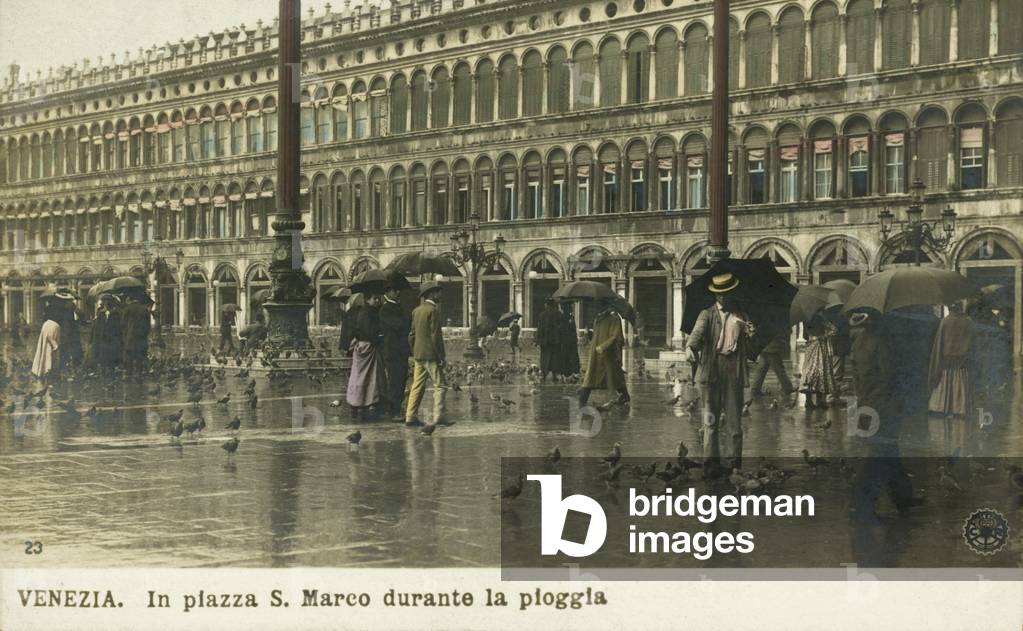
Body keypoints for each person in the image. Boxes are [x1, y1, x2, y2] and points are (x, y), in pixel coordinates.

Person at [686, 273, 752, 472]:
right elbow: (696, 335)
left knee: (734, 423)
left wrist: (750, 333)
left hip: (733, 369)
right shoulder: (706, 314)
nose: (724, 297)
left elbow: (749, 348)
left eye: (727, 293)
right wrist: (690, 348)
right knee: (710, 421)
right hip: (711, 369)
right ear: (716, 295)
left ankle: (734, 465)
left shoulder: (741, 315)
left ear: (732, 293)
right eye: (720, 293)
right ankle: (710, 463)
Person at [405, 282, 447, 427]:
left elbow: (411, 335)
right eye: (438, 292)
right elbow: (436, 336)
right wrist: (441, 356)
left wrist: (414, 350)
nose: (440, 294)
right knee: (440, 385)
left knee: (417, 385)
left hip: (418, 354)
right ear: (431, 294)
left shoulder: (416, 310)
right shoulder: (433, 311)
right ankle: (439, 416)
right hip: (431, 354)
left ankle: (410, 416)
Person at [578, 297, 630, 407]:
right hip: (596, 352)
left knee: (614, 375)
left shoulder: (614, 318)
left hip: (608, 353)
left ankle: (624, 395)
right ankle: (582, 399)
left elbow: (614, 336)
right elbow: (597, 334)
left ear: (604, 305)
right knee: (592, 375)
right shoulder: (598, 318)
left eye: (598, 305)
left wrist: (603, 346)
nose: (596, 307)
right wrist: (589, 335)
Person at [347, 293, 387, 420]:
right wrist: (379, 338)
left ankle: (356, 403)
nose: (377, 300)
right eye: (374, 298)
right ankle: (369, 402)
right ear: (367, 300)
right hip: (369, 347)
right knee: (370, 377)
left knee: (358, 376)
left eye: (378, 298)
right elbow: (371, 332)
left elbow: (356, 330)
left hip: (360, 346)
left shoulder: (361, 312)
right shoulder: (371, 313)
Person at [379, 283, 412, 421]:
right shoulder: (386, 309)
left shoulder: (398, 307)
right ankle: (394, 412)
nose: (398, 292)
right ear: (388, 292)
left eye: (398, 290)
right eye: (394, 290)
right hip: (392, 351)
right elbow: (400, 325)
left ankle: (397, 409)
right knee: (394, 382)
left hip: (401, 350)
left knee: (401, 381)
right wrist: (407, 321)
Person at [799, 311, 837, 409]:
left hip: (810, 346)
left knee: (810, 372)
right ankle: (819, 401)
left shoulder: (805, 319)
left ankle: (808, 401)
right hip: (820, 346)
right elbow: (834, 330)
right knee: (821, 370)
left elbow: (804, 335)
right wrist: (824, 336)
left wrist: (812, 336)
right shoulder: (820, 317)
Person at [749, 332, 793, 399]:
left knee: (761, 369)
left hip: (764, 347)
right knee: (779, 369)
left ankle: (755, 389)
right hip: (772, 347)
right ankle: (787, 387)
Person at [87, 295, 123, 373]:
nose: (105, 304)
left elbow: (119, 327)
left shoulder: (117, 313)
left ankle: (111, 370)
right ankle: (103, 371)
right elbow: (96, 327)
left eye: (107, 302)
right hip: (102, 339)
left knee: (112, 356)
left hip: (112, 338)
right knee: (102, 355)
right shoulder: (101, 313)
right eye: (104, 302)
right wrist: (92, 338)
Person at [120, 295, 152, 376]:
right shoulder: (144, 310)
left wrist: (125, 335)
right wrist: (143, 335)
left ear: (130, 299)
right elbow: (148, 327)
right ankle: (138, 374)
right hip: (141, 339)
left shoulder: (127, 309)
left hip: (129, 338)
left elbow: (122, 325)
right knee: (139, 358)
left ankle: (129, 374)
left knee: (129, 358)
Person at [31, 304, 61, 383]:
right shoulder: (55, 325)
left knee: (43, 357)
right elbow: (50, 337)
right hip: (50, 347)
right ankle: (48, 374)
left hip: (44, 345)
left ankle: (41, 371)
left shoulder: (46, 324)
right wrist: (55, 345)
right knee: (49, 360)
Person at [535, 298, 562, 382]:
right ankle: (554, 375)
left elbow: (540, 329)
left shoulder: (542, 315)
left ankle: (543, 375)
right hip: (555, 340)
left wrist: (537, 341)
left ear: (546, 305)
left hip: (544, 341)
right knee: (554, 357)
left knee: (544, 358)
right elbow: (560, 328)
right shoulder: (558, 314)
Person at [557, 302, 581, 377]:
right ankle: (572, 371)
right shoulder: (568, 317)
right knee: (571, 355)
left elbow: (566, 329)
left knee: (568, 356)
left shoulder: (565, 317)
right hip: (569, 340)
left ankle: (569, 371)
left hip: (567, 340)